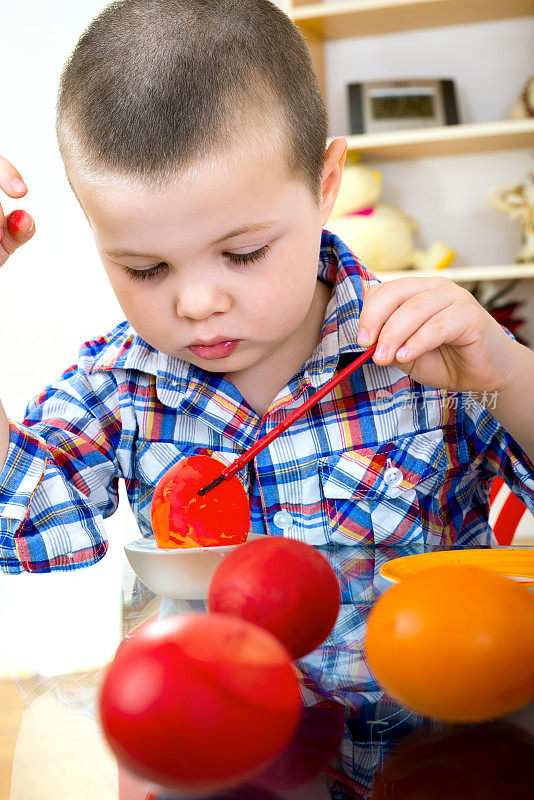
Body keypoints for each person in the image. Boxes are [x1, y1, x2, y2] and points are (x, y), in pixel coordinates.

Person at [1, 0, 533, 575]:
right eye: (144, 269)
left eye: (243, 253)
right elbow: (28, 542)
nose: (198, 304)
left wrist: (506, 375)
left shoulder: (432, 355)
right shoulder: (114, 387)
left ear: (324, 187)